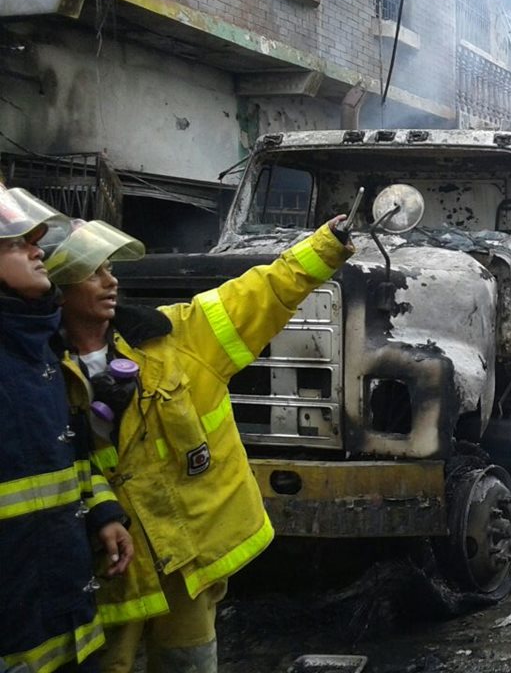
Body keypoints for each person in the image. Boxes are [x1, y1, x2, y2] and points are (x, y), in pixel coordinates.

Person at [47, 216, 355, 673]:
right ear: (59, 289)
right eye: (94, 273)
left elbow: (263, 293)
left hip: (183, 566)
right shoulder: (39, 369)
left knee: (188, 663)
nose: (111, 281)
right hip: (111, 572)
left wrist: (327, 245)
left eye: (110, 269)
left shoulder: (176, 339)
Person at [0, 186, 133, 673]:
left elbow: (71, 452)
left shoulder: (39, 354)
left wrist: (102, 514)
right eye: (16, 244)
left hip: (63, 621)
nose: (38, 252)